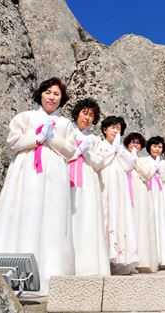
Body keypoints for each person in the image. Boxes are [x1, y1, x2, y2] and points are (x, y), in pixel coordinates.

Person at [0, 77, 77, 294]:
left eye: (56, 94)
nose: (51, 97)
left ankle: (48, 275)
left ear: (62, 98)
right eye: (48, 92)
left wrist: (53, 139)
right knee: (22, 212)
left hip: (54, 172)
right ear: (41, 94)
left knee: (51, 218)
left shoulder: (65, 125)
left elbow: (71, 150)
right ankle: (13, 272)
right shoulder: (25, 117)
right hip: (27, 170)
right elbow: (13, 141)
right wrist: (37, 138)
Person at [68, 98, 111, 276]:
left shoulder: (94, 140)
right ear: (77, 113)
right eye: (84, 112)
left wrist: (86, 154)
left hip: (88, 178)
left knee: (87, 217)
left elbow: (100, 161)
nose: (87, 117)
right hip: (67, 176)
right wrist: (74, 152)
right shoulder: (67, 132)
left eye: (91, 115)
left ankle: (88, 265)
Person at [97, 116, 139, 274]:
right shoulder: (100, 145)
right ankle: (104, 259)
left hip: (120, 189)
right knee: (106, 216)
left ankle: (120, 260)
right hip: (105, 185)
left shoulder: (121, 148)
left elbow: (129, 165)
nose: (115, 130)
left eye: (118, 128)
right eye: (112, 127)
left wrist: (119, 149)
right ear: (104, 130)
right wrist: (112, 149)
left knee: (120, 217)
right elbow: (99, 160)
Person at [136, 136, 165, 268]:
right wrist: (153, 169)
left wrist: (162, 172)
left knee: (163, 222)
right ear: (149, 147)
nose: (157, 149)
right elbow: (142, 176)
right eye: (154, 146)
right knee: (150, 221)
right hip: (149, 192)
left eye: (159, 147)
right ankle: (151, 257)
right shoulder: (143, 160)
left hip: (162, 194)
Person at [123, 132, 159, 272]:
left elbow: (147, 174)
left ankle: (141, 260)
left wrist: (135, 160)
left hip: (141, 194)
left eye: (137, 143)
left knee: (140, 224)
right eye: (132, 142)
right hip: (126, 191)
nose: (134, 145)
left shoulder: (143, 160)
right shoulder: (122, 155)